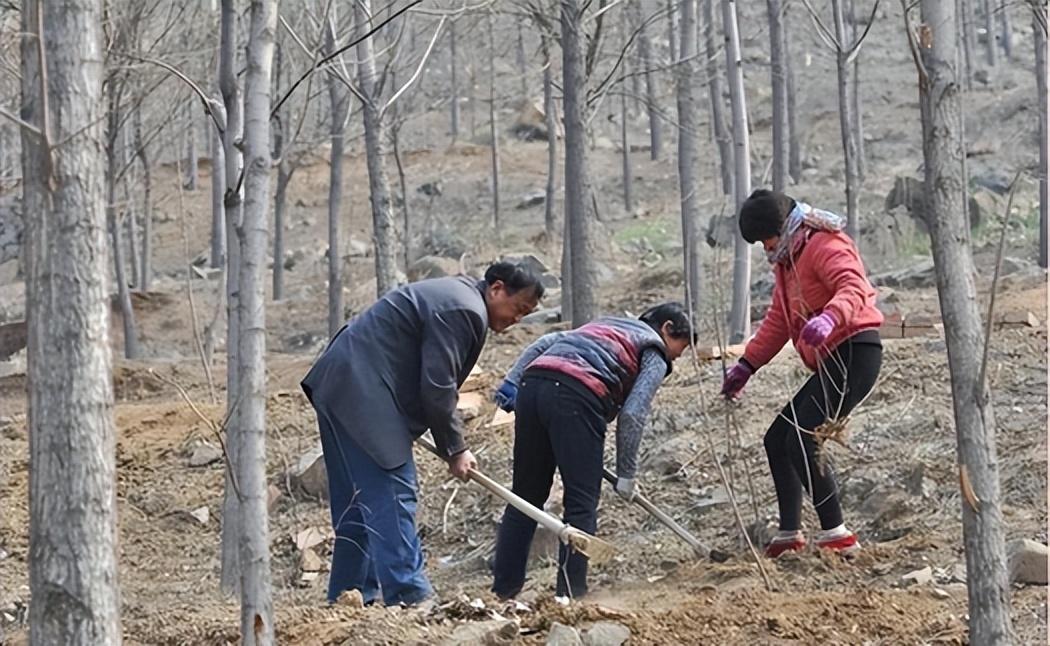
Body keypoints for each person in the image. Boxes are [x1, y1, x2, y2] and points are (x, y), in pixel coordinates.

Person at [301, 262, 544, 606]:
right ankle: (410, 595)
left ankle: (350, 597)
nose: (517, 319)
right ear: (497, 288)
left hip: (339, 382)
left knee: (357, 504)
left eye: (526, 315)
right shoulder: (465, 309)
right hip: (363, 389)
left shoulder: (458, 297)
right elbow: (438, 385)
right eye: (519, 308)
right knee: (393, 490)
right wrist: (456, 449)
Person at [489, 303, 695, 600]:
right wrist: (627, 474)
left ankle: (504, 592)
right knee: (581, 504)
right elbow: (634, 413)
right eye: (681, 347)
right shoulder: (654, 352)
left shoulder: (604, 326)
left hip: (533, 386)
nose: (677, 356)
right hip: (578, 395)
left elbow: (544, 343)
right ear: (666, 330)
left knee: (524, 497)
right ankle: (571, 596)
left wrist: (511, 383)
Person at [721, 189, 883, 558]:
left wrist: (830, 316)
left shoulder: (824, 244)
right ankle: (790, 533)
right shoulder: (788, 261)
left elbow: (853, 286)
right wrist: (747, 365)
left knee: (801, 436)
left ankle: (838, 534)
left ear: (784, 227)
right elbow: (779, 320)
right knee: (776, 439)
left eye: (766, 239)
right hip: (832, 360)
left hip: (856, 353)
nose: (765, 248)